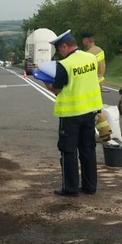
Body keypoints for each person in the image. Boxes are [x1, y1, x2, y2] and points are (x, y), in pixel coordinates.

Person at [45, 30, 103, 196]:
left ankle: (70, 188)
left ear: (64, 46)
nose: (59, 53)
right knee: (88, 149)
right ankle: (90, 186)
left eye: (59, 50)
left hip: (70, 114)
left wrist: (44, 80)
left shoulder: (66, 64)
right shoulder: (91, 58)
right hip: (89, 111)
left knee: (68, 151)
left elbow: (56, 89)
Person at [80, 32, 112, 142]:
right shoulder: (99, 50)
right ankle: (104, 132)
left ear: (86, 40)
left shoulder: (89, 53)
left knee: (92, 109)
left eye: (83, 40)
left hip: (91, 84)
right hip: (98, 83)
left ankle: (104, 132)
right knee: (95, 108)